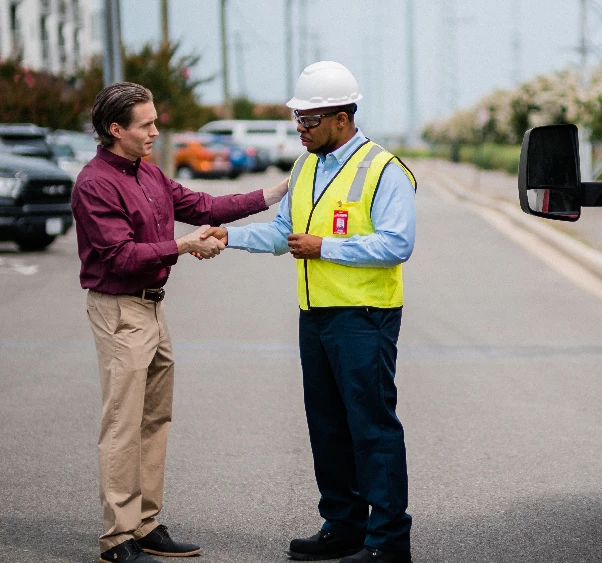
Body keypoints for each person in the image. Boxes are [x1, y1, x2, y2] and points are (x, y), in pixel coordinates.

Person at [202, 61, 417, 563]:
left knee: (371, 426)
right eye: (298, 119)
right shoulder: (305, 167)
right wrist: (227, 236)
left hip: (365, 315)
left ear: (342, 118)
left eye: (309, 120)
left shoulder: (385, 170)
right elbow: (283, 233)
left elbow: (397, 243)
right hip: (316, 315)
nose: (300, 129)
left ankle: (387, 542)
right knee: (327, 424)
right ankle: (343, 525)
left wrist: (327, 247)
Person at [71, 82, 288, 563]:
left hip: (152, 306)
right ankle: (117, 539)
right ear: (115, 130)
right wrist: (184, 246)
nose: (155, 130)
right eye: (145, 124)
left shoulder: (147, 173)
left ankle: (145, 525)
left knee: (154, 419)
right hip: (119, 309)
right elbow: (121, 256)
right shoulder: (94, 183)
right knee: (123, 425)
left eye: (154, 121)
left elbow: (203, 207)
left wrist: (276, 192)